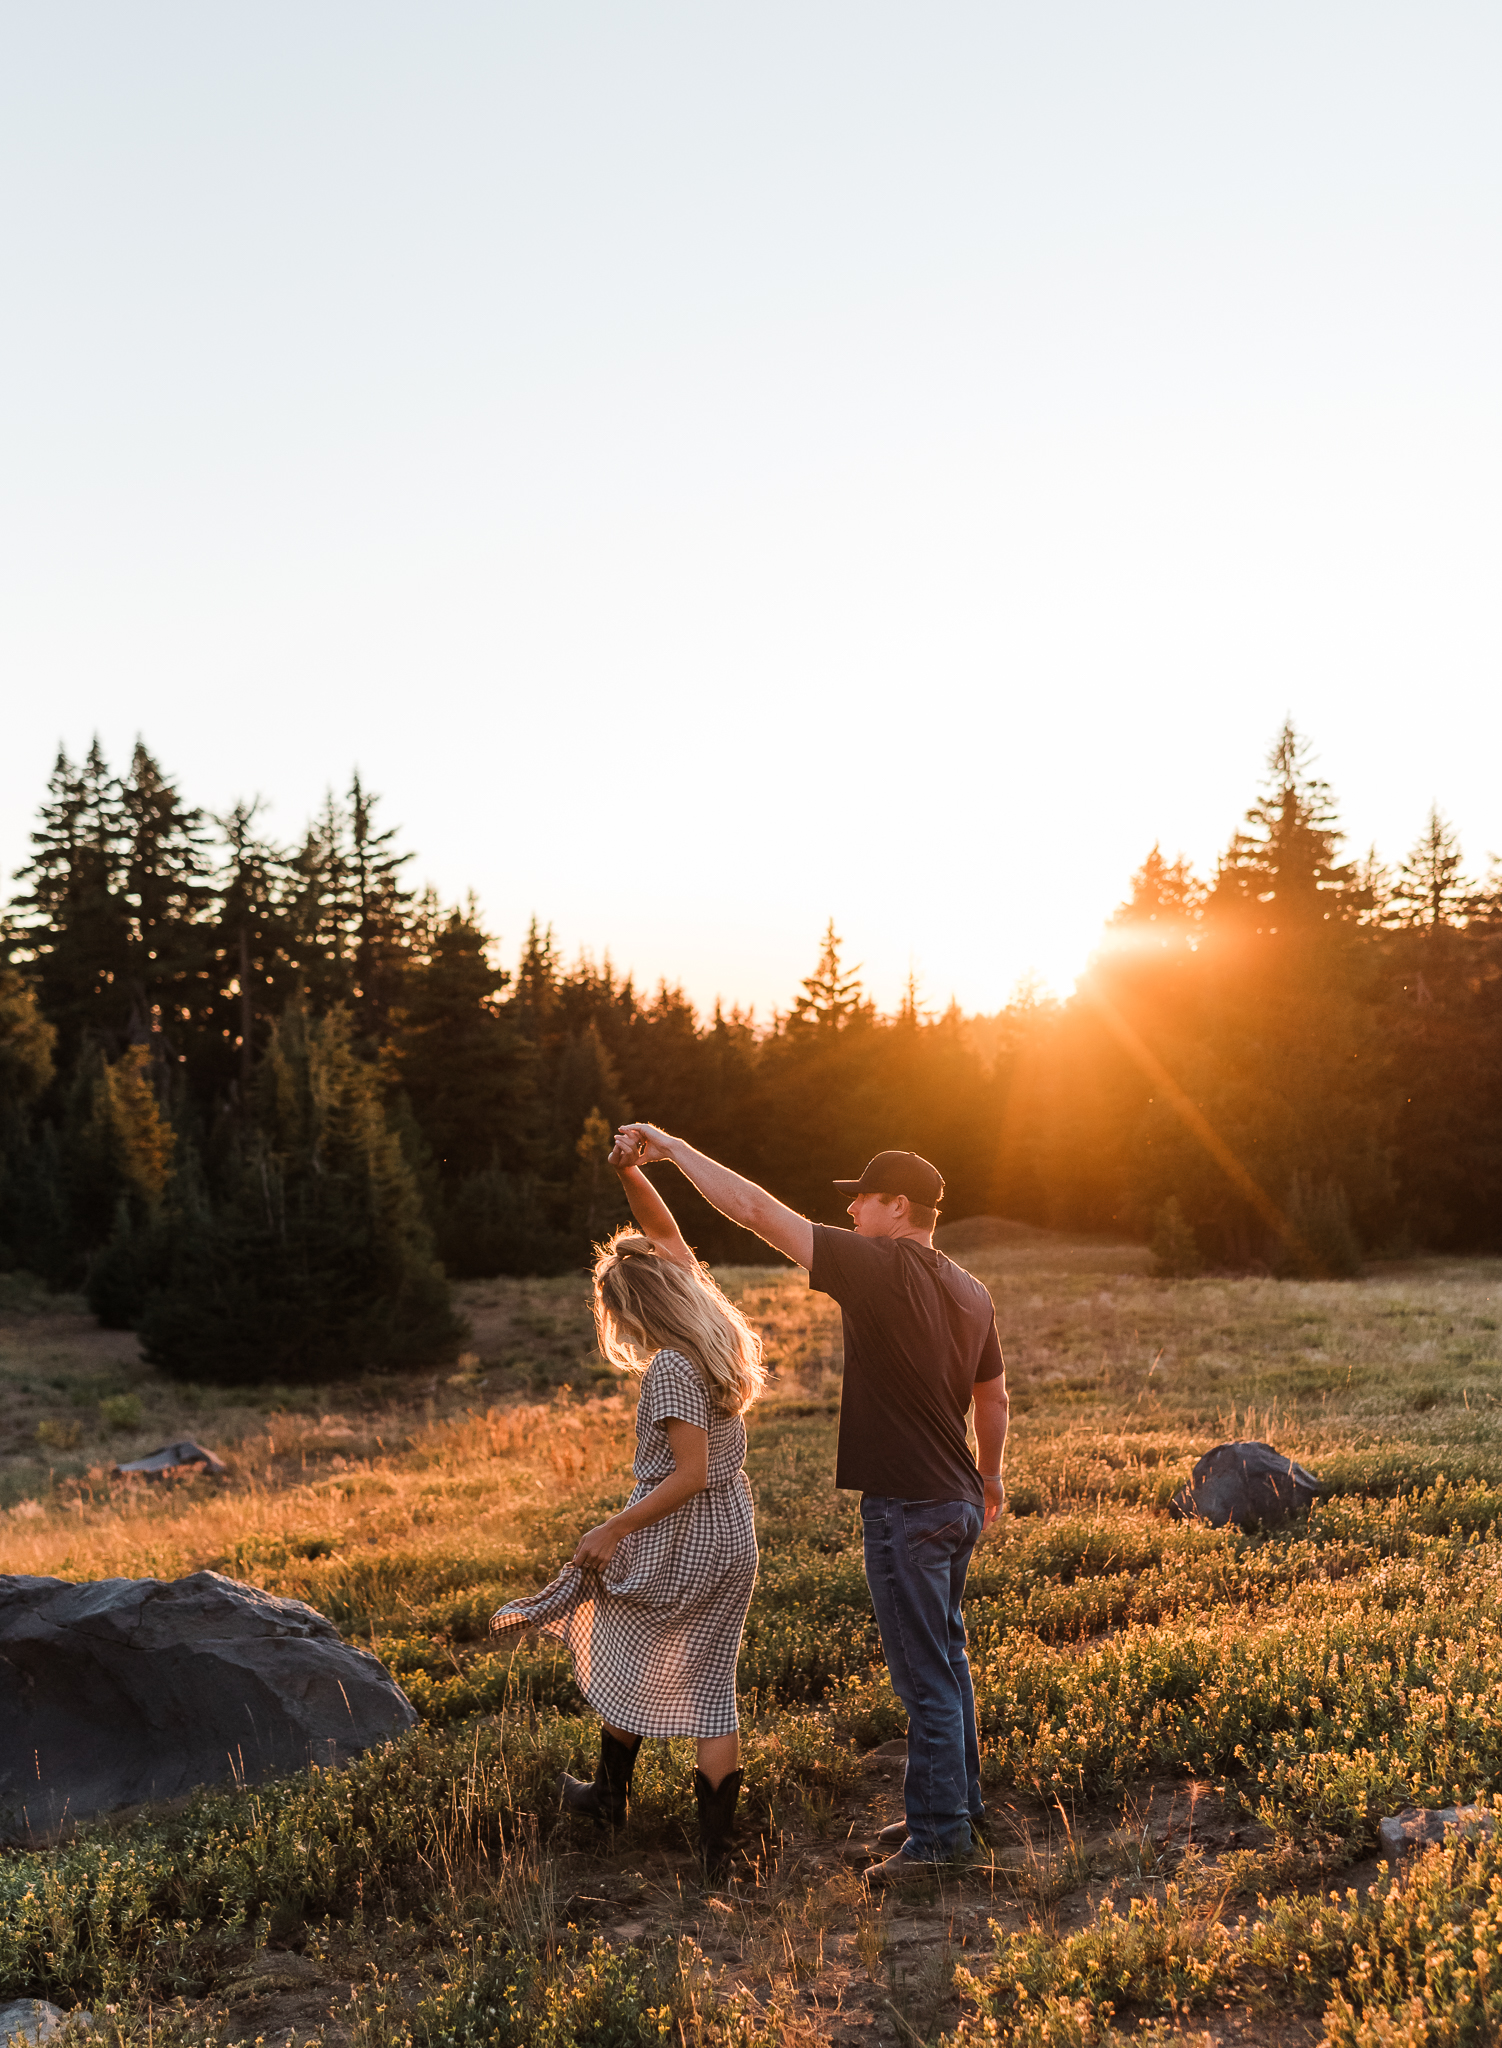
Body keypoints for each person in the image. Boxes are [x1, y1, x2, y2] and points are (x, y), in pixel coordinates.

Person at [613, 1124, 1008, 1883]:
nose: (852, 1211)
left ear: (898, 1207)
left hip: (908, 1505)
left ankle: (939, 1841)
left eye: (861, 1199)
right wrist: (989, 1478)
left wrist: (674, 1149)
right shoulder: (970, 1288)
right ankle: (959, 1808)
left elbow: (759, 1212)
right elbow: (991, 1397)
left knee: (925, 1676)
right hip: (957, 1499)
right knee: (948, 1662)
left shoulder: (877, 1267)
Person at [489, 1139, 765, 1881]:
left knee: (621, 1637)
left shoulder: (672, 1367)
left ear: (633, 1308)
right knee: (711, 1684)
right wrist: (630, 1174)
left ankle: (611, 1798)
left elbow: (690, 1473)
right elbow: (669, 1238)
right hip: (732, 1536)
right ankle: (713, 1852)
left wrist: (613, 1528)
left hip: (679, 1535)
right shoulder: (712, 1329)